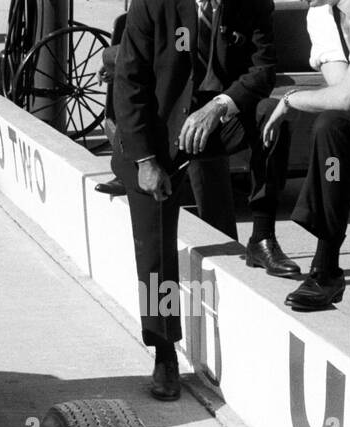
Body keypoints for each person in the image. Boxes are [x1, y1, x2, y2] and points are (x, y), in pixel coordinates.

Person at [114, 0, 298, 401]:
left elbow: (263, 69)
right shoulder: (153, 5)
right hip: (160, 137)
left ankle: (262, 238)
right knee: (155, 254)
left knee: (273, 116)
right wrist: (146, 161)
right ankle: (164, 352)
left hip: (217, 120)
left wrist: (220, 105)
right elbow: (129, 84)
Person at [264, 0, 350, 331]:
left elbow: (349, 97)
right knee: (331, 126)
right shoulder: (320, 14)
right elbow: (343, 95)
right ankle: (326, 268)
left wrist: (290, 99)